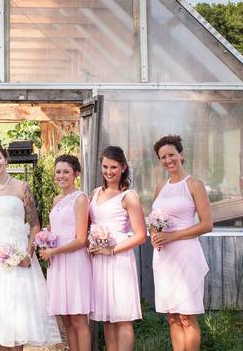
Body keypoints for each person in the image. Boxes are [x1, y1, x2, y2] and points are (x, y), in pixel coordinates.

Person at [0, 141, 61, 351]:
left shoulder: (22, 187)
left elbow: (34, 224)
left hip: (19, 257)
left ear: (6, 158)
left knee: (18, 315)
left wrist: (28, 255)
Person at [150, 135, 212, 351]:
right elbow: (154, 218)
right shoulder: (160, 187)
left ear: (181, 155)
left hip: (186, 255)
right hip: (164, 258)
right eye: (163, 157)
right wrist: (154, 234)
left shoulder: (194, 185)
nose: (168, 160)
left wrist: (173, 236)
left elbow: (206, 225)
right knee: (172, 317)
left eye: (171, 155)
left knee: (186, 316)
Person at [89, 145, 147, 351]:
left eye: (113, 167)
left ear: (123, 167)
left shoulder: (129, 196)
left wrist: (111, 250)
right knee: (107, 317)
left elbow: (141, 235)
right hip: (99, 261)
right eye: (105, 167)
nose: (108, 172)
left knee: (122, 318)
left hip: (119, 259)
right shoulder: (96, 193)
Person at [38, 154, 91, 351]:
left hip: (74, 261)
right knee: (66, 320)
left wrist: (54, 251)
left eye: (66, 172)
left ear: (75, 174)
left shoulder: (80, 199)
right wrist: (45, 240)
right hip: (58, 262)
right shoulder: (56, 199)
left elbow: (81, 239)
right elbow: (54, 231)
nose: (61, 176)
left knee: (78, 319)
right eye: (58, 171)